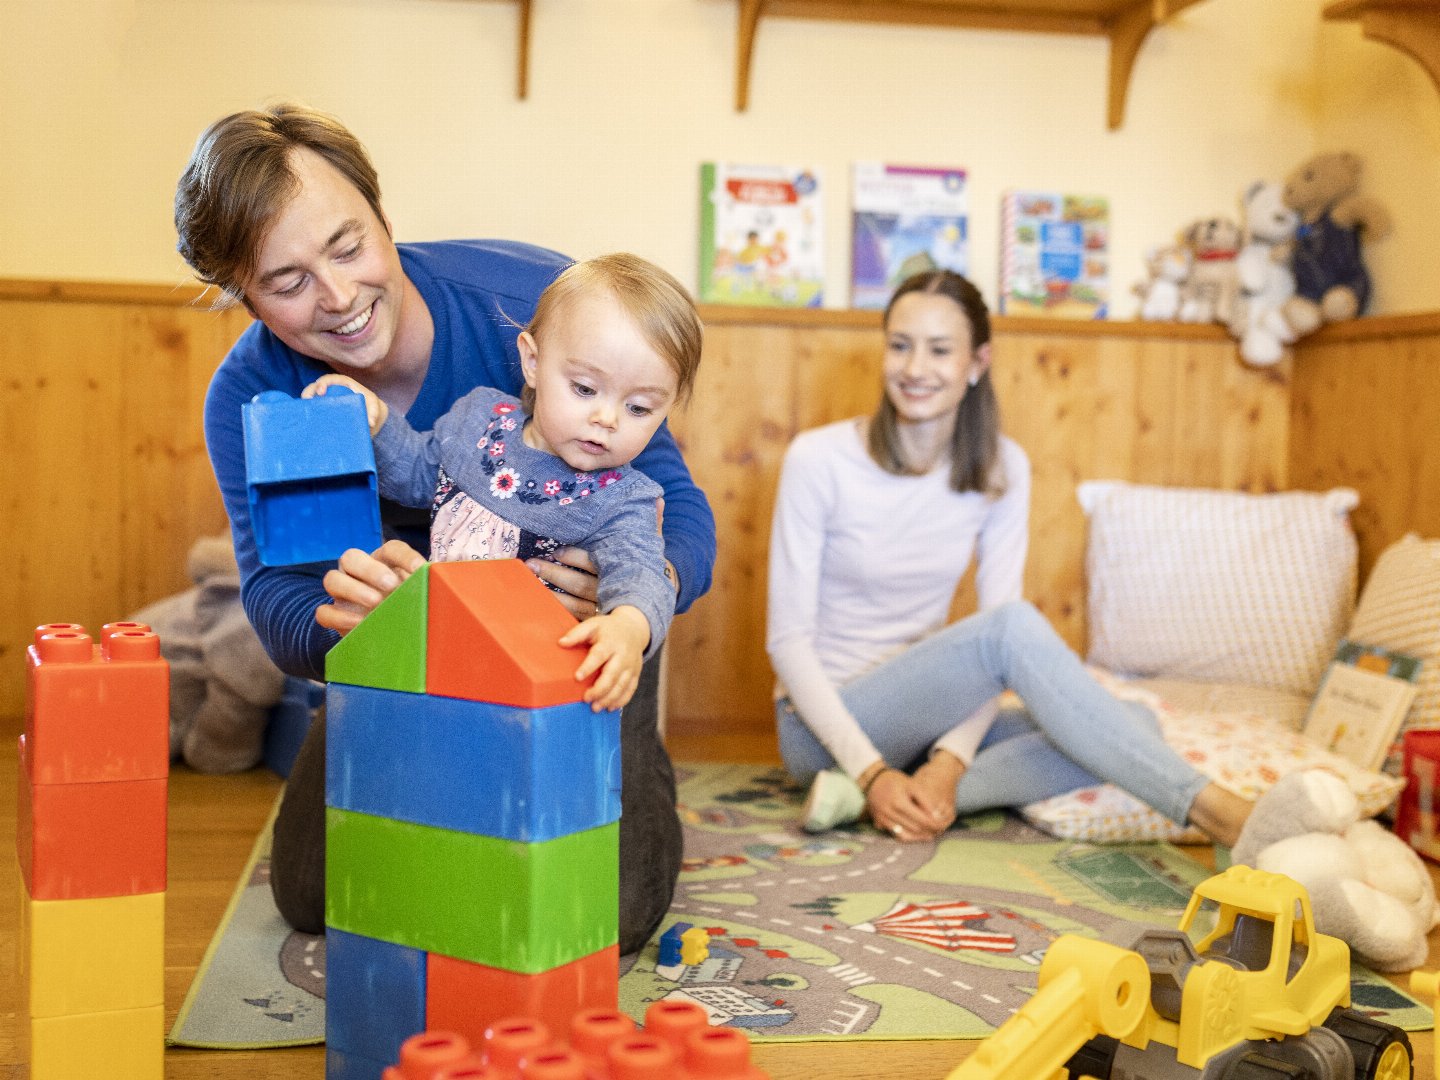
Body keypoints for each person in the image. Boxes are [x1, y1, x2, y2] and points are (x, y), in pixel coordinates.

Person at [174, 104, 715, 953]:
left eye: (349, 248)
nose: (340, 297)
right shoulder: (253, 398)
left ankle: (629, 748)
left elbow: (677, 512)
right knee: (317, 895)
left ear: (385, 219)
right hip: (404, 665)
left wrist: (628, 611)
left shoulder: (534, 309)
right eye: (287, 283)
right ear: (245, 297)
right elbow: (275, 595)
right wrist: (344, 621)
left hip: (577, 645)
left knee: (611, 914)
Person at [765, 269, 1255, 847]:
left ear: (977, 363)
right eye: (900, 346)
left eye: (940, 350)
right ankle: (1219, 813)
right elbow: (787, 643)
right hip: (820, 727)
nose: (915, 368)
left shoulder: (1002, 468)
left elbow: (995, 654)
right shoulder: (817, 459)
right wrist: (873, 770)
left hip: (928, 716)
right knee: (1012, 630)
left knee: (1133, 726)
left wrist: (947, 762)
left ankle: (867, 799)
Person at [302, 251, 701, 712]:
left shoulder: (624, 501)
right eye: (585, 389)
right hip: (439, 659)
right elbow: (414, 472)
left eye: (639, 408)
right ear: (532, 361)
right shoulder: (479, 419)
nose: (606, 418)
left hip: (538, 693)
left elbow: (640, 572)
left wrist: (630, 626)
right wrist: (375, 422)